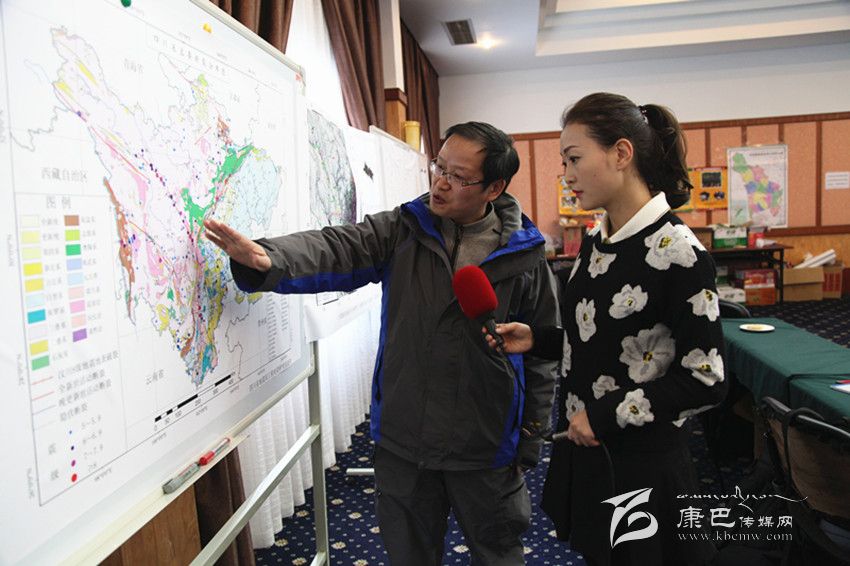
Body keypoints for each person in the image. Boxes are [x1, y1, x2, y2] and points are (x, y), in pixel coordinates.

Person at [204, 121, 560, 565]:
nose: (440, 183)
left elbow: (544, 354)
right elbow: (339, 246)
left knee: (498, 554)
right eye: (439, 167)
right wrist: (269, 258)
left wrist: (531, 435)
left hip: (485, 442)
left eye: (458, 177)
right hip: (405, 440)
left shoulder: (524, 255)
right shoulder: (404, 228)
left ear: (494, 188)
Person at [486, 93, 727, 565]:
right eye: (564, 162)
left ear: (621, 153)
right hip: (590, 449)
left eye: (574, 159)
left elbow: (705, 378)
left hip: (641, 465)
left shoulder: (679, 253)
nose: (567, 174)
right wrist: (539, 339)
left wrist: (605, 414)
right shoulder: (597, 241)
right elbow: (603, 339)